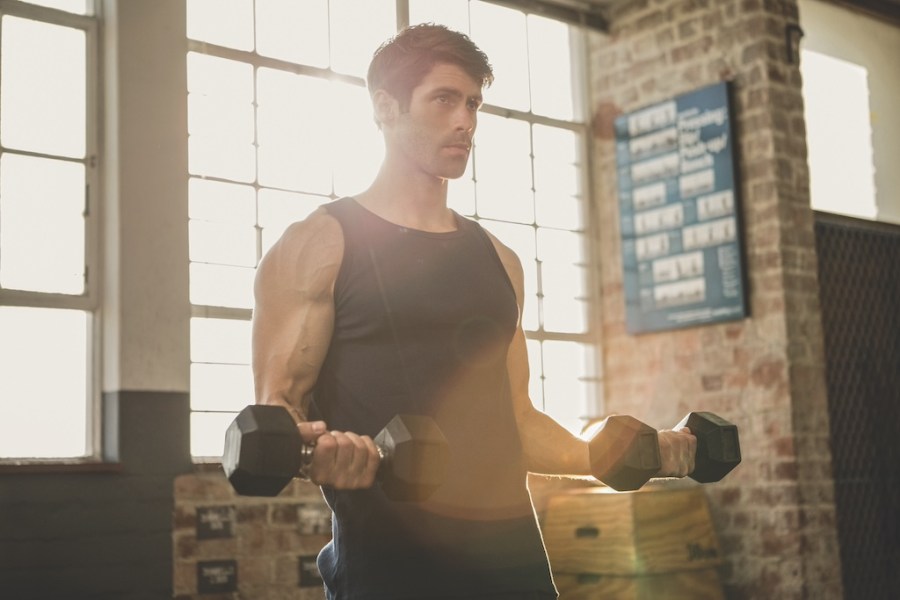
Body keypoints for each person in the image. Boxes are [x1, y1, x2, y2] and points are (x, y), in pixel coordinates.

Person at [251, 24, 697, 600]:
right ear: (385, 107)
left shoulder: (498, 260)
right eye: (444, 100)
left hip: (513, 568)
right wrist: (322, 455)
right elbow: (274, 417)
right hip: (389, 572)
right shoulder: (318, 246)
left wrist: (646, 453)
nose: (465, 121)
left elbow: (519, 423)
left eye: (472, 104)